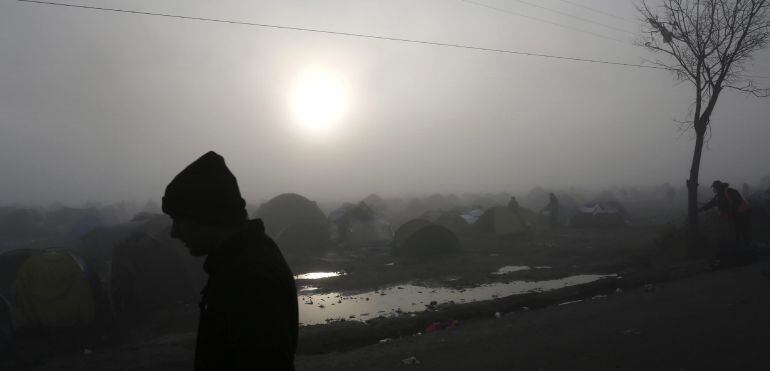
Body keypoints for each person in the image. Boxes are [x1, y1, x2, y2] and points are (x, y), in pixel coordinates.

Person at [162, 151, 298, 371]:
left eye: (179, 220)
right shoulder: (242, 260)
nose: (173, 233)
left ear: (206, 215)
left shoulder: (248, 276)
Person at [699, 180, 752, 248]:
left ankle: (747, 247)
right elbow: (711, 204)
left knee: (742, 231)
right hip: (734, 216)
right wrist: (700, 209)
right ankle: (739, 247)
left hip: (742, 214)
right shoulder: (718, 196)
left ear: (718, 187)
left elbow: (738, 201)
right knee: (735, 232)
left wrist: (731, 211)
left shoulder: (730, 191)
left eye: (714, 188)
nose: (713, 190)